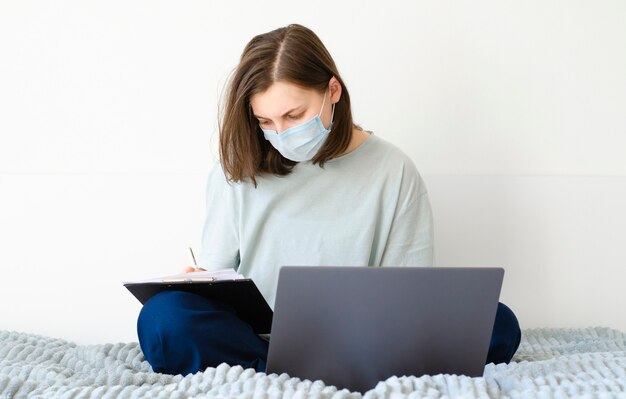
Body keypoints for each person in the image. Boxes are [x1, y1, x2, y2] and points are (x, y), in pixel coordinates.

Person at [136, 23, 521, 376]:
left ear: (332, 91)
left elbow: (413, 295)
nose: (280, 132)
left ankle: (279, 372)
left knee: (497, 322)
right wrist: (198, 283)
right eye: (265, 122)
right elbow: (217, 278)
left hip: (368, 341)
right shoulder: (237, 169)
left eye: (293, 114)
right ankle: (299, 370)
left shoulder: (394, 170)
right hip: (261, 338)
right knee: (164, 318)